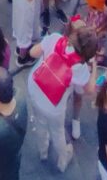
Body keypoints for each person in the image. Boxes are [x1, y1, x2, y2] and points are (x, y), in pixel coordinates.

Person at [26, 20, 98, 172]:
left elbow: (32, 52)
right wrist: (94, 67)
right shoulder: (80, 68)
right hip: (53, 105)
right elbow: (90, 89)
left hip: (35, 87)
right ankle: (62, 159)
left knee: (40, 123)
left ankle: (43, 151)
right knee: (57, 131)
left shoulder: (56, 39)